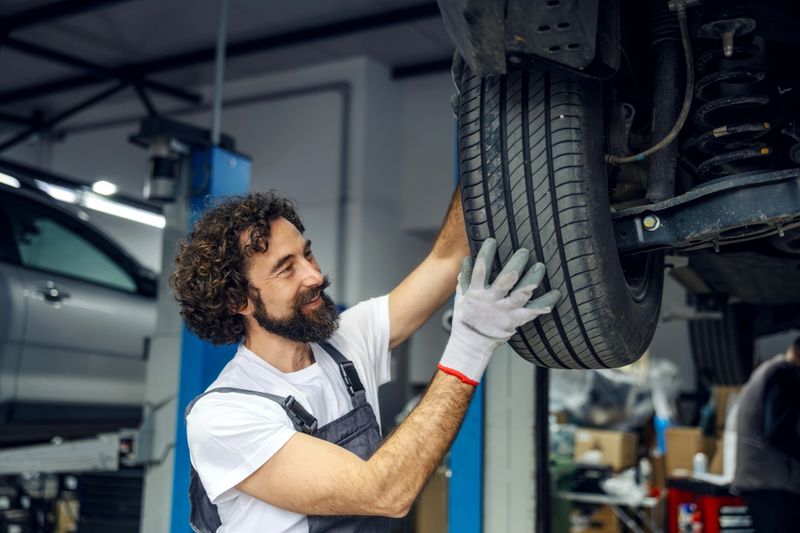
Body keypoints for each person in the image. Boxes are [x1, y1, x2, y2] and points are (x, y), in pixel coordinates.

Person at [171, 190, 560, 532]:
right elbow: (383, 492)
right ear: (238, 301)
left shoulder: (344, 341)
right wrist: (472, 343)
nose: (314, 275)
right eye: (286, 269)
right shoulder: (225, 414)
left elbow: (446, 257)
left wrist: (483, 134)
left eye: (307, 253)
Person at [732, 336, 800, 531]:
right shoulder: (783, 374)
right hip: (773, 485)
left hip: (762, 482)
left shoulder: (768, 371)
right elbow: (779, 431)